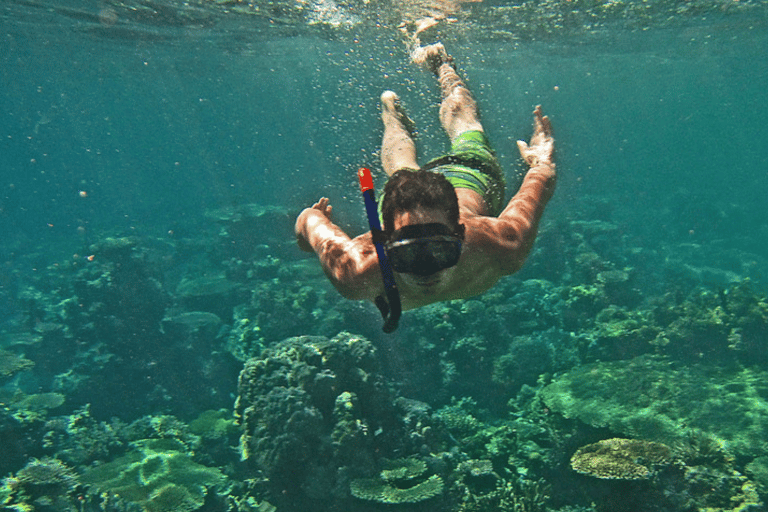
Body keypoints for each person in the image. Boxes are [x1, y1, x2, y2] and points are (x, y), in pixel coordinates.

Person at [295, 43, 556, 312]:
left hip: (467, 174)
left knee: (421, 154)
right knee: (412, 162)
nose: (425, 270)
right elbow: (541, 178)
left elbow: (308, 219)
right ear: (383, 243)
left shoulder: (500, 244)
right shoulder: (357, 271)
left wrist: (541, 163)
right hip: (471, 177)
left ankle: (442, 67)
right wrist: (541, 163)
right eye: (408, 253)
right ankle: (393, 118)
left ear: (461, 234)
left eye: (440, 250)